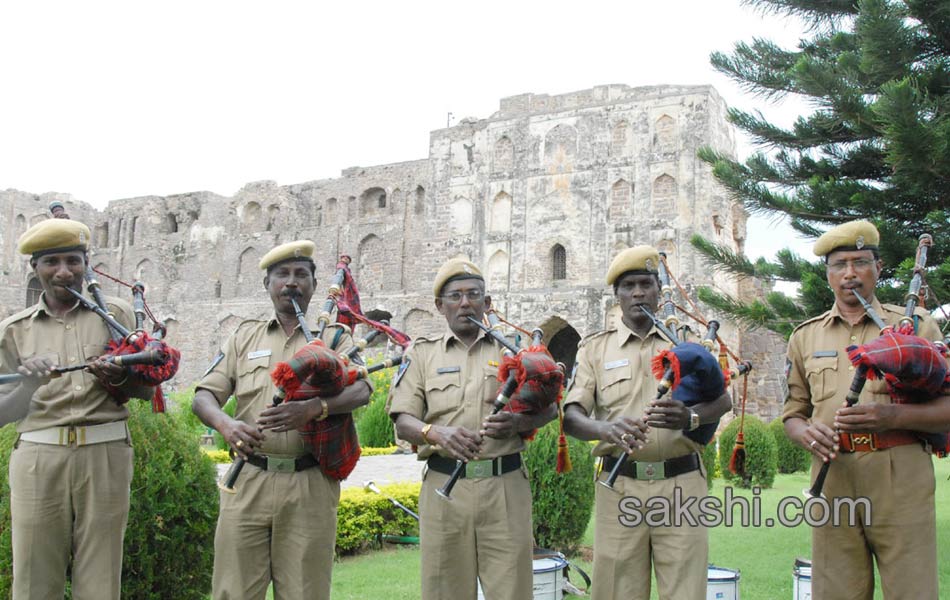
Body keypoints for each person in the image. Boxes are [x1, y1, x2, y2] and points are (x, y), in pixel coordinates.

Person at [192, 240, 372, 600]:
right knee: (234, 591)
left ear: (313, 285)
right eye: (282, 275)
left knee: (305, 592)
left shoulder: (334, 336)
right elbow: (203, 397)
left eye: (301, 274)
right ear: (267, 285)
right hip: (247, 481)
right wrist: (227, 426)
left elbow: (362, 391)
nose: (292, 282)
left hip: (309, 482)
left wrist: (313, 409)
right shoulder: (244, 336)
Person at [783, 220, 950, 600]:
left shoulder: (914, 326)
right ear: (827, 274)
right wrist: (806, 433)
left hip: (900, 475)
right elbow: (793, 414)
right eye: (839, 264)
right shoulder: (806, 336)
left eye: (861, 262)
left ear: (878, 267)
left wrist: (892, 417)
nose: (850, 273)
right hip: (833, 478)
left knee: (913, 591)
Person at [562, 245, 731, 600]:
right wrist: (604, 429)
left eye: (646, 284)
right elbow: (572, 417)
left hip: (681, 484)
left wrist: (692, 416)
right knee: (617, 589)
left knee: (685, 589)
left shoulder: (688, 345)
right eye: (628, 286)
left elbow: (723, 399)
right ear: (616, 296)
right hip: (619, 484)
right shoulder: (595, 349)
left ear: (659, 291)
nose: (638, 292)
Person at [0, 218, 154, 599]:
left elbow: (147, 391)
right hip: (39, 456)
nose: (64, 271)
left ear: (87, 264)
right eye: (52, 262)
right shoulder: (13, 330)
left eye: (74, 260)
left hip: (105, 454)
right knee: (35, 577)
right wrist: (31, 385)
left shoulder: (114, 315)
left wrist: (115, 378)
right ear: (35, 268)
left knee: (101, 579)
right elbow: (3, 413)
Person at [387, 258, 558, 600]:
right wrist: (436, 433)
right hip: (444, 488)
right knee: (444, 590)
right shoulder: (422, 355)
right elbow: (403, 419)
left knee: (512, 590)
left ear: (487, 303)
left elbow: (550, 408)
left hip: (505, 488)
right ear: (440, 305)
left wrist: (519, 422)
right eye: (455, 296)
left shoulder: (516, 352)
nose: (465, 303)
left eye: (473, 295)